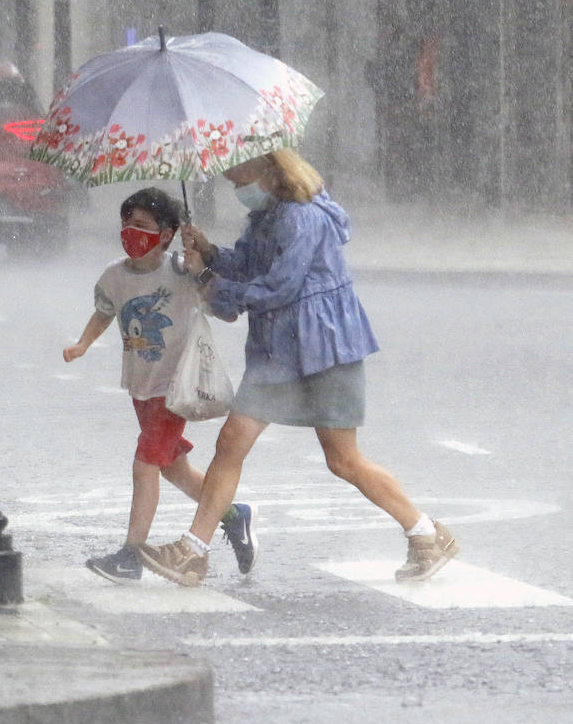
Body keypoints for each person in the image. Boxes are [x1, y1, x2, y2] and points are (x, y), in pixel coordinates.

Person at [138, 149, 458, 587]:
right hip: (279, 348)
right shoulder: (270, 214)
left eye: (238, 177)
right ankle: (193, 551)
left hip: (324, 345)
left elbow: (280, 286)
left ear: (268, 168)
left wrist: (212, 285)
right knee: (231, 442)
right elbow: (252, 264)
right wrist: (210, 254)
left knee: (343, 460)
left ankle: (425, 533)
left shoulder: (302, 217)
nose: (235, 185)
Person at [63, 186, 257, 582]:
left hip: (175, 388)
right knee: (173, 469)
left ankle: (132, 555)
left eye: (142, 226)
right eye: (126, 223)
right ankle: (233, 514)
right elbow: (104, 312)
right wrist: (83, 343)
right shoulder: (114, 276)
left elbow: (222, 307)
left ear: (166, 233)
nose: (131, 232)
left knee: (145, 464)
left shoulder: (180, 270)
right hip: (141, 387)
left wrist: (200, 262)